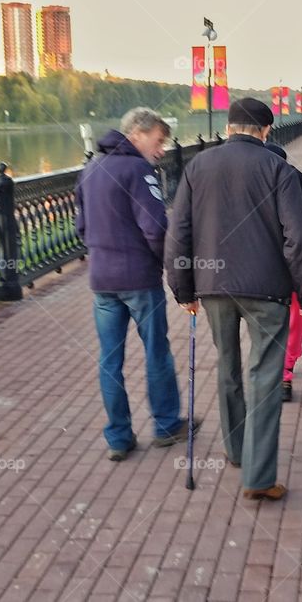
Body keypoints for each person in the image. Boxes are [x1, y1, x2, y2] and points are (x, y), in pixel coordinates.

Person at [166, 97, 302, 501]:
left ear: (230, 127)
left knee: (228, 367)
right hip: (266, 288)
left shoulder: (197, 166)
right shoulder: (277, 168)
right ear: (266, 131)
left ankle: (235, 450)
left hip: (213, 286)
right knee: (265, 377)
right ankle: (259, 475)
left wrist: (182, 288)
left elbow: (178, 233)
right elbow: (299, 238)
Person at [75, 107, 197, 462]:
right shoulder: (138, 170)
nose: (161, 150)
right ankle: (166, 425)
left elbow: (81, 228)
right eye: (158, 142)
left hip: (101, 281)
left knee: (109, 359)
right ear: (138, 134)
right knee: (156, 351)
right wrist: (173, 269)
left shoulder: (89, 169)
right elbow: (155, 229)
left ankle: (118, 436)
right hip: (139, 280)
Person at [264, 142, 302, 402]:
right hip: (295, 267)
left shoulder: (254, 185)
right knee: (294, 322)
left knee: (267, 320)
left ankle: (273, 370)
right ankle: (285, 372)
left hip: (263, 268)